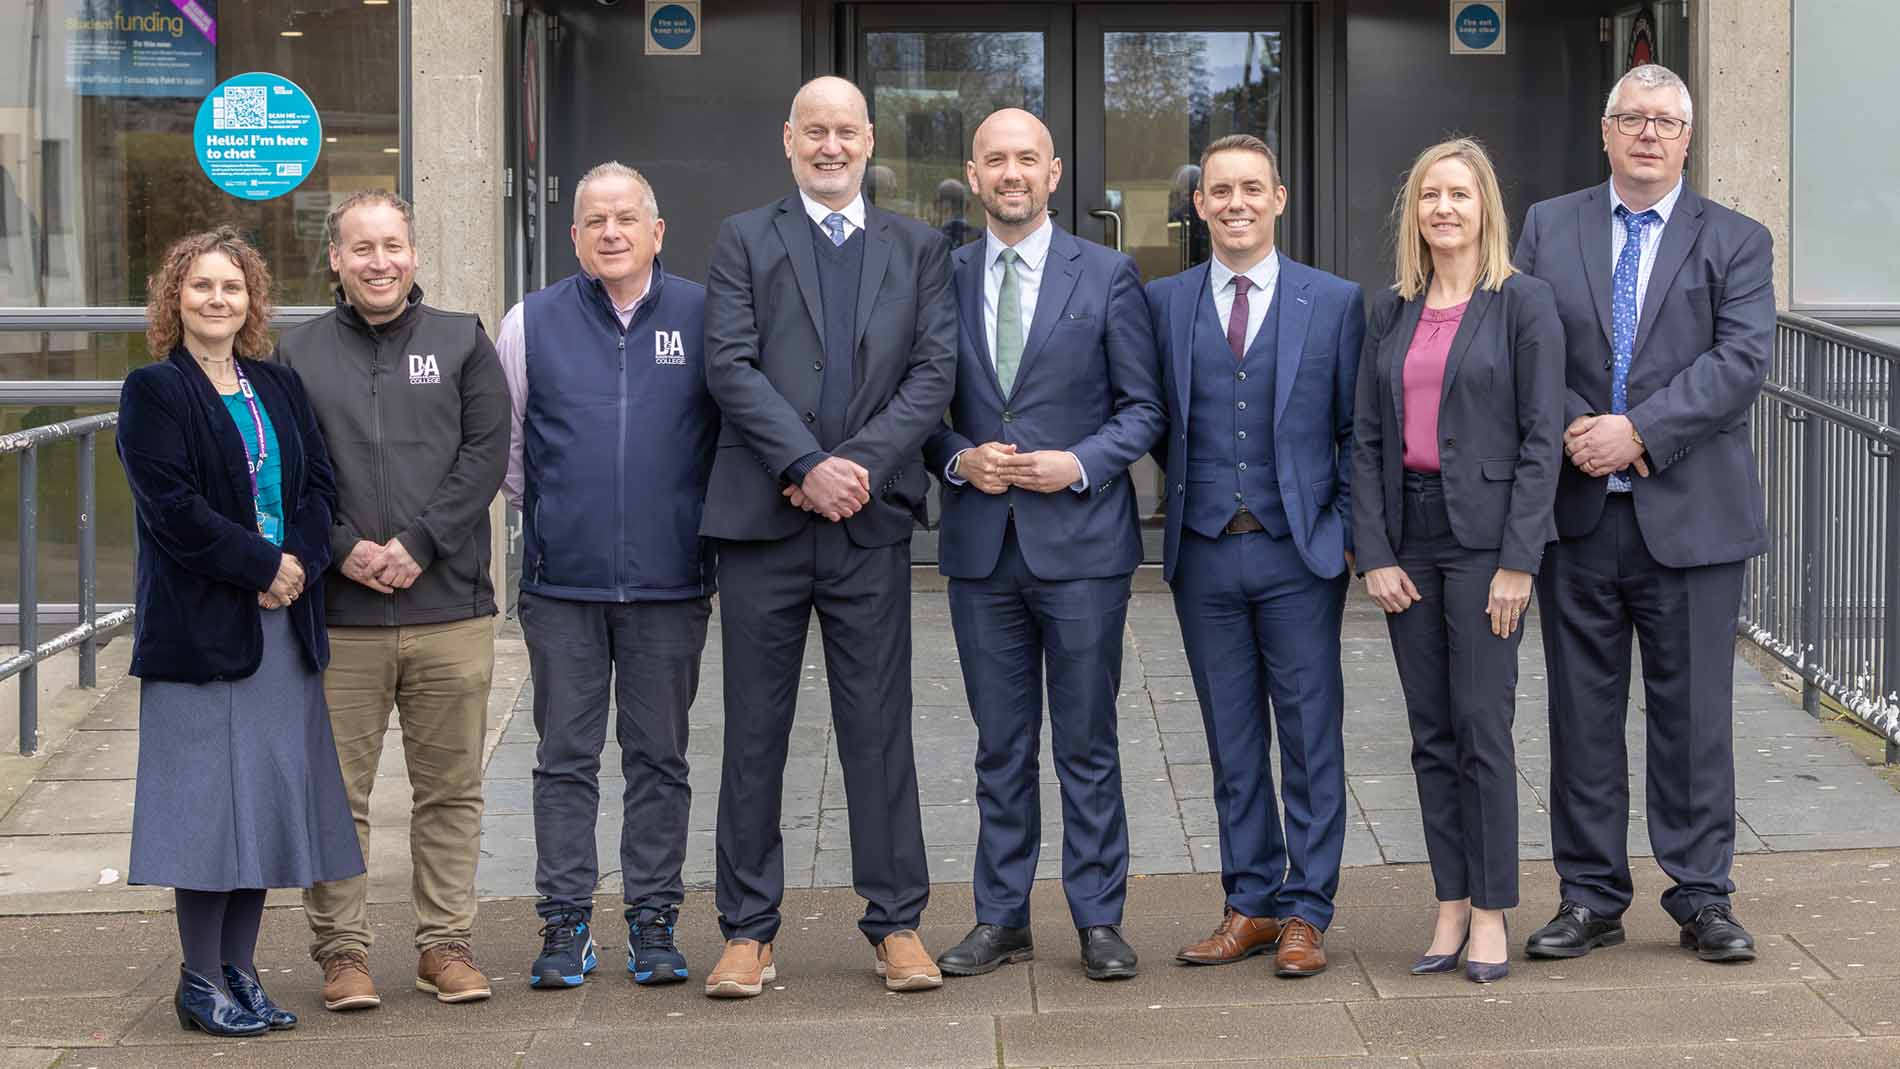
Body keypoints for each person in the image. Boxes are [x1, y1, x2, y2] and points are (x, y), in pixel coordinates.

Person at [700, 75, 956, 998]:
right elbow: (728, 364)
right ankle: (747, 931)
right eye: (816, 131)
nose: (831, 147)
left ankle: (897, 924)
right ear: (789, 139)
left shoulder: (919, 247)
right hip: (763, 523)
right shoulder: (743, 237)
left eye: (846, 131)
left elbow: (933, 375)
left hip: (868, 524)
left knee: (878, 729)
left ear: (869, 140)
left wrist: (856, 470)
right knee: (752, 733)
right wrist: (806, 464)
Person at [1514, 63, 1775, 965]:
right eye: (1632, 118)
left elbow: (1739, 363)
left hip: (1692, 519)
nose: (1649, 134)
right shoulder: (1549, 227)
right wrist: (1581, 429)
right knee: (1582, 717)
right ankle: (1589, 896)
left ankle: (1702, 895)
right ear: (1606, 131)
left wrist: (1638, 432)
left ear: (1688, 138)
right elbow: (1527, 344)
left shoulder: (1737, 239)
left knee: (1695, 719)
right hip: (1580, 514)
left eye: (1666, 121)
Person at [924, 109, 1164, 982]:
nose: (1012, 173)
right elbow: (919, 407)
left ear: (1053, 173)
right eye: (995, 160)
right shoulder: (941, 275)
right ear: (974, 175)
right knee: (999, 744)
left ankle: (1099, 917)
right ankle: (1002, 917)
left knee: (1087, 742)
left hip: (1083, 549)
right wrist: (957, 458)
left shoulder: (1107, 274)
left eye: (1027, 158)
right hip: (982, 551)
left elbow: (1143, 408)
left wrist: (1080, 463)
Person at [119, 227, 363, 1035]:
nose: (217, 299)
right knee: (206, 813)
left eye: (232, 286)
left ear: (252, 300)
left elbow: (319, 485)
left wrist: (297, 563)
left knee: (258, 806)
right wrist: (262, 565)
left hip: (282, 631)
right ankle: (198, 978)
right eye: (201, 285)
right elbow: (173, 509)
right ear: (175, 298)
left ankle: (239, 969)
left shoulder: (277, 384)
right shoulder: (155, 391)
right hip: (203, 634)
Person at [276, 190, 511, 1009]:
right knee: (335, 794)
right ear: (335, 259)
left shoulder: (462, 340)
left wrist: (420, 543)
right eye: (362, 248)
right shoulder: (298, 353)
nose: (380, 262)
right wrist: (343, 547)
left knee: (450, 789)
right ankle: (342, 952)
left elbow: (486, 454)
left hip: (449, 608)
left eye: (392, 245)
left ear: (414, 252)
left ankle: (444, 944)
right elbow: (289, 470)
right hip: (340, 616)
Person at [1147, 134, 1365, 978]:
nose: (1235, 202)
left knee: (1310, 738)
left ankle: (1308, 909)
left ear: (1279, 198)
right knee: (1231, 741)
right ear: (1199, 204)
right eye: (1219, 190)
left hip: (1298, 555)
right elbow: (1158, 421)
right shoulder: (1164, 302)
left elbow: (1356, 433)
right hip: (1205, 553)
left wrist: (1341, 532)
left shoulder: (1334, 301)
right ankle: (1251, 901)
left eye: (1251, 188)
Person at [498, 162, 719, 989]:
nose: (612, 232)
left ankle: (654, 921)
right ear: (575, 237)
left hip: (671, 581)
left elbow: (724, 435)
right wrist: (567, 516)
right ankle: (564, 923)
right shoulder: (531, 322)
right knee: (565, 758)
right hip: (563, 585)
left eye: (627, 218)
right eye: (595, 221)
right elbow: (509, 451)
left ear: (657, 231)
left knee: (660, 758)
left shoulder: (705, 315)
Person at [1352, 139, 1564, 984]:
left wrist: (1520, 560)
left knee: (1481, 726)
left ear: (1486, 209)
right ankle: (1448, 899)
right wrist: (1373, 551)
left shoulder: (1523, 303)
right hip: (1409, 537)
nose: (1443, 208)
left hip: (1485, 544)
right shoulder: (1391, 309)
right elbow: (1367, 440)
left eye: (1459, 194)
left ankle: (1490, 910)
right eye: (1429, 195)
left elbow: (1543, 439)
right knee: (1430, 734)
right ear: (1414, 212)